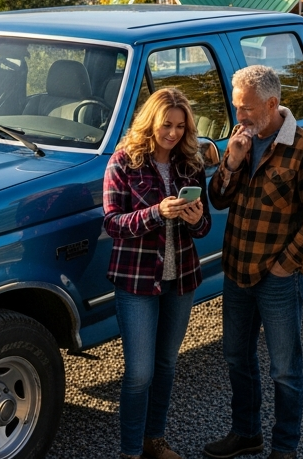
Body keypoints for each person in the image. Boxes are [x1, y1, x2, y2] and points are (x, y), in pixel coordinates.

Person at [202, 65, 303, 459]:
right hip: (237, 270)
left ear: (272, 103)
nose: (238, 116)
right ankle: (246, 433)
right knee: (235, 356)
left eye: (245, 108)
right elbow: (219, 199)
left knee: (284, 370)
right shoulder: (242, 142)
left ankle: (284, 448)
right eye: (236, 106)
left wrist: (287, 264)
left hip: (278, 277)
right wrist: (231, 162)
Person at [103, 87, 212, 459]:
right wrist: (155, 213)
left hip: (180, 278)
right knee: (138, 373)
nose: (173, 133)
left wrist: (197, 220)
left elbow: (205, 226)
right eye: (167, 124)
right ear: (151, 121)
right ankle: (131, 451)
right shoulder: (123, 161)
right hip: (135, 281)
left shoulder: (190, 163)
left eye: (181, 126)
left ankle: (155, 440)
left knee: (166, 365)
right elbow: (112, 224)